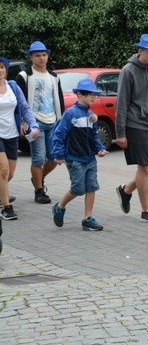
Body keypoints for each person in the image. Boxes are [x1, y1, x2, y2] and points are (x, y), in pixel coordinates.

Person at [114, 34, 148, 224]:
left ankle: (126, 190)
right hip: (135, 123)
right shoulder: (128, 71)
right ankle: (146, 210)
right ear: (140, 51)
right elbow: (122, 102)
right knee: (144, 166)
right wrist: (120, 132)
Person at [50, 79, 108, 231]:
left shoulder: (91, 115)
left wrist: (100, 149)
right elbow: (59, 134)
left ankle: (87, 218)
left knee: (91, 187)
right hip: (75, 159)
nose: (93, 98)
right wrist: (59, 154)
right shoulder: (71, 113)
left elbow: (94, 136)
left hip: (90, 158)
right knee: (77, 189)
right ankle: (60, 207)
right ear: (79, 94)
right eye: (90, 95)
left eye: (95, 95)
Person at [15, 41, 65, 205]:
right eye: (37, 55)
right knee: (38, 158)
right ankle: (39, 190)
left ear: (48, 56)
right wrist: (22, 121)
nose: (41, 58)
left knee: (54, 158)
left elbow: (59, 99)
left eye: (44, 55)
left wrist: (62, 122)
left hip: (53, 121)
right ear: (31, 57)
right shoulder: (24, 76)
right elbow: (19, 101)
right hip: (34, 123)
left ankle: (38, 177)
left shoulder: (53, 76)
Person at [0, 57, 39, 220]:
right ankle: (6, 207)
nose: (0, 70)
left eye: (2, 67)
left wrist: (34, 125)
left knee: (10, 174)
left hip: (12, 134)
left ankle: (2, 194)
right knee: (3, 170)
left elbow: (24, 108)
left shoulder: (13, 87)